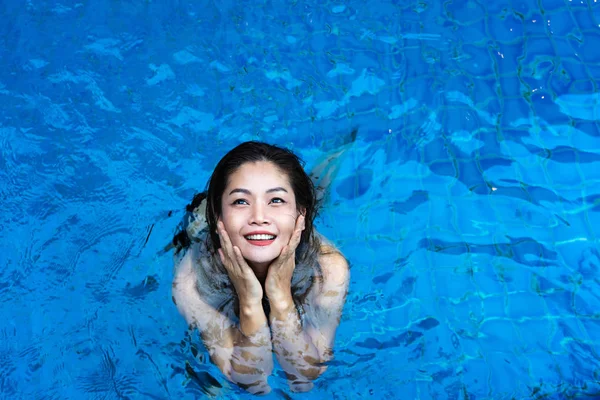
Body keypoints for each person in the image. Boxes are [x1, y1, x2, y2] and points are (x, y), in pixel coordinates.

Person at [171, 141, 350, 394]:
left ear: (300, 213)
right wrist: (249, 301)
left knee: (316, 191)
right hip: (203, 231)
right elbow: (254, 384)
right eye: (241, 202)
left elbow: (303, 378)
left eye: (275, 200)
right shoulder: (192, 281)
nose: (259, 216)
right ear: (219, 215)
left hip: (292, 232)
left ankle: (339, 149)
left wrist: (280, 296)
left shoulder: (328, 267)